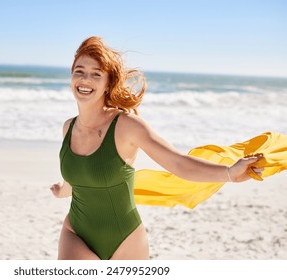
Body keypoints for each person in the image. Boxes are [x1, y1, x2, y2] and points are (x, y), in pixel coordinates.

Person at [50, 36, 263, 260]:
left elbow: (178, 162)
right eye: (79, 71)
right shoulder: (68, 127)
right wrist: (62, 189)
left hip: (124, 240)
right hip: (76, 234)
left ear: (108, 84)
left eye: (96, 74)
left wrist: (229, 173)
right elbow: (80, 177)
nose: (85, 80)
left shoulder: (127, 126)